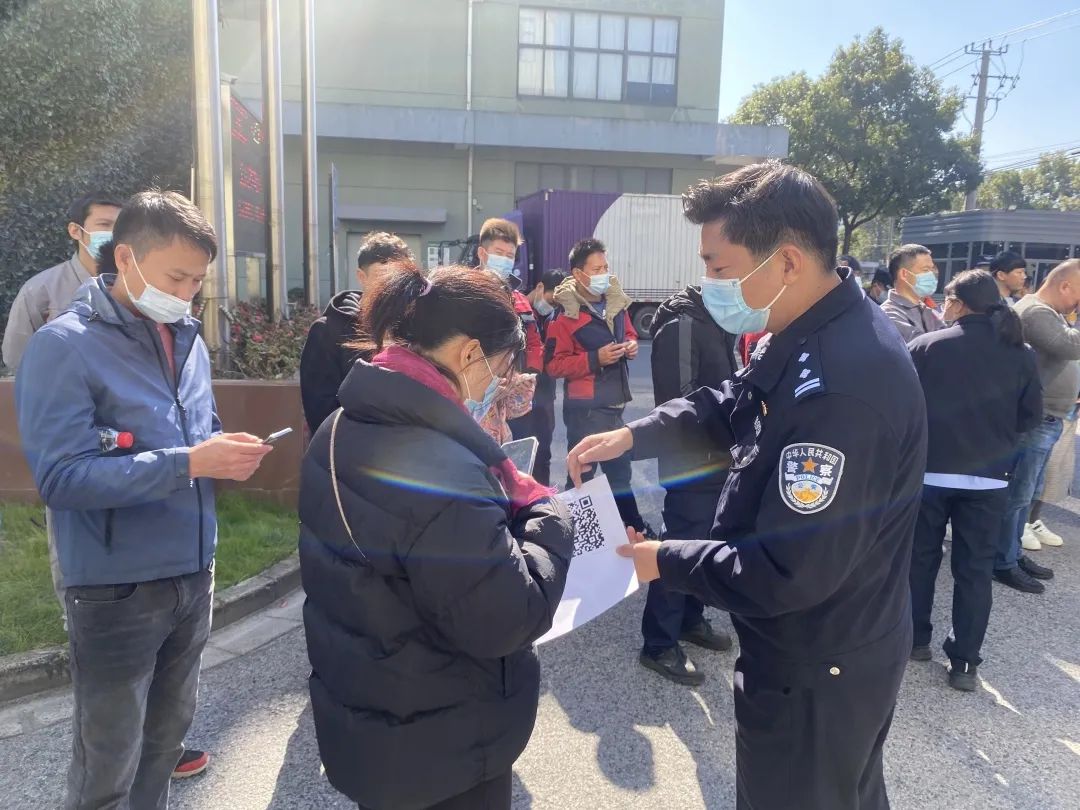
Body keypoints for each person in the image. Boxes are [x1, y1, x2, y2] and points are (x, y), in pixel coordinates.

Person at [568, 161, 926, 810]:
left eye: (720, 267)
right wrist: (632, 436)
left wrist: (661, 560)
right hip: (816, 645)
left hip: (817, 663)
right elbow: (730, 401)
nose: (710, 283)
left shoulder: (842, 388)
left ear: (786, 261)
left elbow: (787, 572)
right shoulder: (805, 329)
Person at [15, 190, 274, 809]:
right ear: (125, 257)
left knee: (165, 740)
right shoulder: (63, 345)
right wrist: (188, 464)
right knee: (108, 757)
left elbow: (198, 431)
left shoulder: (186, 338)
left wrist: (222, 452)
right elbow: (62, 479)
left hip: (193, 570)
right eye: (176, 277)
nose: (187, 294)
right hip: (116, 587)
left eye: (198, 281)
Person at [298, 265, 572, 810]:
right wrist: (550, 516)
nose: (497, 385)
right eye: (501, 369)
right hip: (444, 746)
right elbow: (508, 618)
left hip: (371, 719)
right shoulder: (442, 466)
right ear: (470, 353)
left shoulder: (339, 425)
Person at [907, 270, 1041, 691]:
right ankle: (964, 661)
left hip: (929, 474)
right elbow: (1030, 417)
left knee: (920, 560)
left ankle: (915, 639)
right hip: (989, 480)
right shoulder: (1021, 353)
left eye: (947, 299)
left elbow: (903, 409)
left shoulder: (926, 346)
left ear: (959, 303)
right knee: (975, 571)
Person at [639, 280, 737, 685]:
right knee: (679, 543)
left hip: (720, 455)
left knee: (706, 542)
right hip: (691, 459)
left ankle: (690, 619)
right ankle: (658, 643)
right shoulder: (681, 324)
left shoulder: (717, 321)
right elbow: (679, 400)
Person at [546, 238, 648, 533]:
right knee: (582, 476)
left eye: (606, 267)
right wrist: (595, 359)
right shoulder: (564, 315)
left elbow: (629, 333)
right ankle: (572, 537)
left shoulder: (615, 301)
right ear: (579, 274)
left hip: (615, 406)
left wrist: (631, 345)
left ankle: (633, 530)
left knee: (620, 475)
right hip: (585, 412)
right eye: (597, 269)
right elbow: (553, 365)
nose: (605, 273)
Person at [994, 259, 1080, 592]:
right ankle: (1002, 561)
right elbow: (1069, 345)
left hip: (1047, 418)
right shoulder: (1035, 312)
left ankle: (1012, 554)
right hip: (1035, 419)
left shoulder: (1051, 312)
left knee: (1027, 492)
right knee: (1018, 494)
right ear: (1065, 285)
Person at [299, 231, 413, 434]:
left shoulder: (414, 327)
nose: (391, 286)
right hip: (347, 447)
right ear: (361, 276)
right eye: (382, 277)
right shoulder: (327, 331)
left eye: (399, 278)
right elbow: (320, 412)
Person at [3, 191, 123, 371]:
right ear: (75, 231)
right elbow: (17, 356)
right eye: (104, 224)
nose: (113, 233)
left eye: (119, 227)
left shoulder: (134, 284)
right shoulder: (40, 289)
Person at [475, 218, 541, 443]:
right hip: (477, 398)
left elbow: (534, 341)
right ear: (482, 253)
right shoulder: (464, 295)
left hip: (514, 399)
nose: (504, 260)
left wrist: (527, 375)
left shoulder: (519, 299)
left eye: (510, 255)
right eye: (498, 253)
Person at [507, 269, 567, 485]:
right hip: (517, 396)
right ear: (540, 287)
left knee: (543, 454)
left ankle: (543, 497)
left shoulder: (556, 317)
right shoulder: (516, 310)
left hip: (544, 397)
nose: (552, 306)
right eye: (551, 300)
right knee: (517, 456)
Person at [881, 244, 944, 341]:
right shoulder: (888, 313)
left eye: (932, 269)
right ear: (904, 274)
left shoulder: (927, 310)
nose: (932, 274)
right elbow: (919, 345)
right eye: (925, 270)